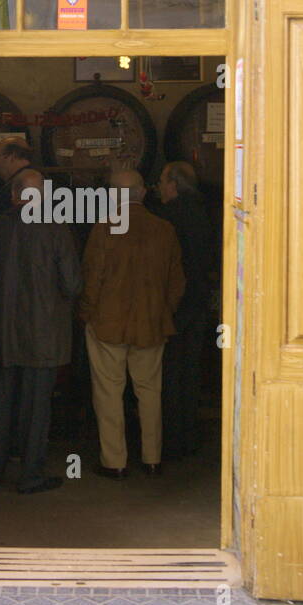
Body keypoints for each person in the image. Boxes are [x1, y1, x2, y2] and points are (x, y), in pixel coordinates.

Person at [0, 167, 82, 493]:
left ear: (14, 195)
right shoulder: (57, 231)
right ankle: (31, 476)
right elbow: (72, 286)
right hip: (43, 338)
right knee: (36, 410)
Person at [79, 170, 184, 478]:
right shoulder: (164, 229)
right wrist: (163, 311)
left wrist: (86, 312)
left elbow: (91, 278)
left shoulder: (104, 229)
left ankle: (115, 461)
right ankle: (152, 457)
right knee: (150, 391)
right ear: (143, 193)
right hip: (151, 323)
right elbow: (177, 282)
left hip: (107, 323)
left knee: (109, 393)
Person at [157, 161, 213, 458]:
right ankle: (190, 435)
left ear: (174, 185)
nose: (159, 187)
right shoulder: (206, 213)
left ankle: (172, 438)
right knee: (191, 370)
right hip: (199, 301)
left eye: (163, 182)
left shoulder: (168, 218)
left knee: (170, 371)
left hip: (175, 303)